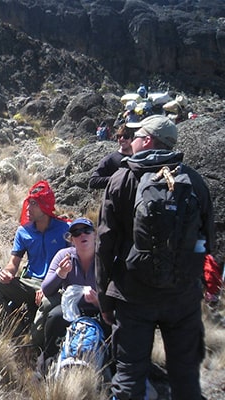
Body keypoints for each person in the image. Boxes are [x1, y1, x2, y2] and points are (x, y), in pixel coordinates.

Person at [96, 115, 215, 400]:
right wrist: (192, 281)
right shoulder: (193, 181)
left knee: (129, 377)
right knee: (185, 377)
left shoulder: (122, 179)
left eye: (137, 136)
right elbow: (208, 241)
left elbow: (104, 245)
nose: (131, 140)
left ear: (148, 140)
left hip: (132, 295)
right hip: (182, 297)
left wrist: (105, 299)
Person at [0, 180, 69, 342]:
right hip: (29, 282)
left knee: (47, 303)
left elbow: (73, 264)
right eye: (28, 203)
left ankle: (34, 343)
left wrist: (50, 286)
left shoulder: (65, 229)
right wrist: (7, 273)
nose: (28, 208)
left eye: (34, 203)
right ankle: (15, 332)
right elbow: (14, 263)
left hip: (55, 284)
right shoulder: (23, 232)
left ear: (45, 205)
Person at [40, 218, 102, 363]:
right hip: (71, 309)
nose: (82, 235)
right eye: (76, 232)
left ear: (95, 234)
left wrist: (99, 301)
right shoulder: (63, 256)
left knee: (116, 319)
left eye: (87, 230)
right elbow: (46, 289)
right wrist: (61, 273)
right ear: (71, 239)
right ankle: (48, 360)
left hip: (100, 308)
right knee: (54, 317)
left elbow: (117, 292)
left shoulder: (105, 258)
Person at [88, 125, 134, 189]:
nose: (122, 139)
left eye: (126, 136)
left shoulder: (138, 159)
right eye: (119, 136)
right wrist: (116, 179)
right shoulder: (110, 159)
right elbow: (93, 181)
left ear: (132, 138)